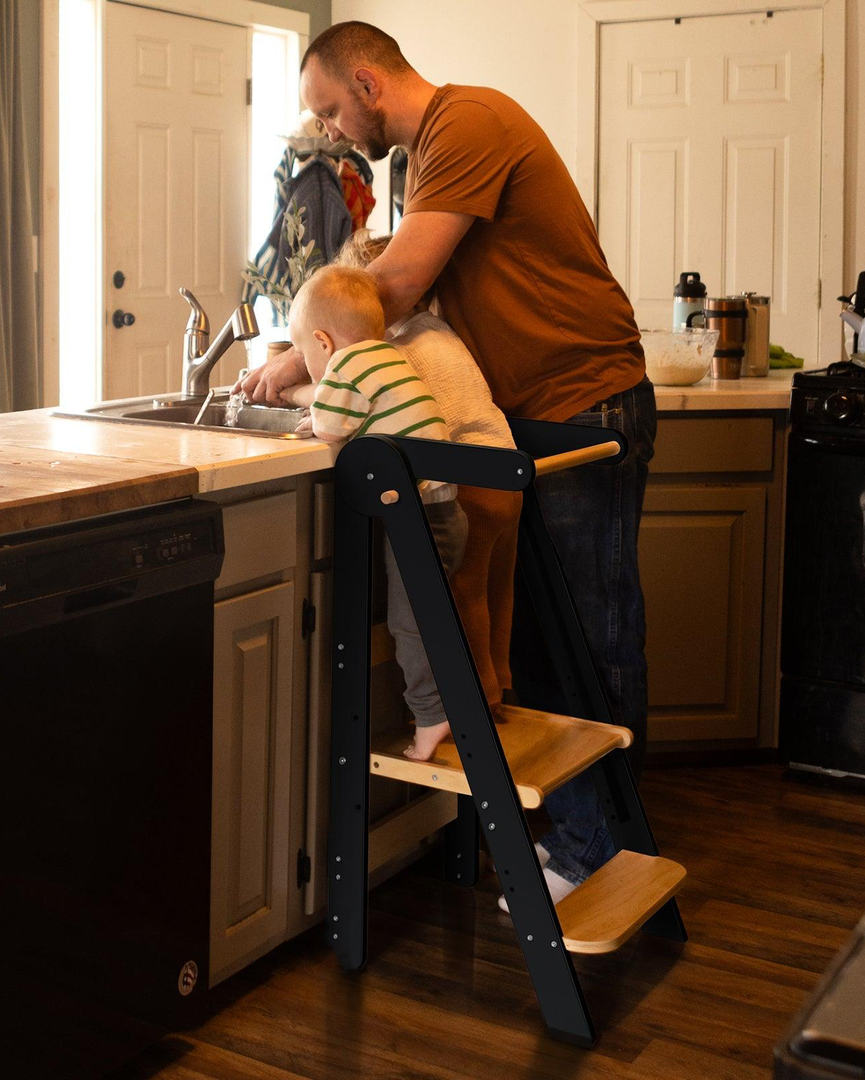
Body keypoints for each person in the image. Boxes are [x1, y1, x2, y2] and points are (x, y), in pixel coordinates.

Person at [238, 22, 656, 905]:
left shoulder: (466, 123)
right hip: (531, 412)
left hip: (583, 396)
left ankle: (602, 853)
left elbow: (390, 289)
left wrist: (294, 361)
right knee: (550, 636)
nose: (335, 133)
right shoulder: (427, 155)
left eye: (330, 111)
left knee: (590, 632)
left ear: (366, 80)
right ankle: (587, 842)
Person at [281, 264, 467, 760]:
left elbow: (328, 425)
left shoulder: (346, 367)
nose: (308, 363)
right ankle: (451, 707)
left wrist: (299, 398)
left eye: (303, 354)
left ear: (322, 342)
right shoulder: (388, 355)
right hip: (447, 510)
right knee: (437, 614)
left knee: (411, 623)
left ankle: (431, 715)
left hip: (419, 515)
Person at [336, 229, 521, 727]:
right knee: (496, 591)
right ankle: (498, 684)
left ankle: (477, 703)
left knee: (464, 594)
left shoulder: (391, 351)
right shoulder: (439, 331)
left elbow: (353, 406)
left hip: (472, 481)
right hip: (507, 466)